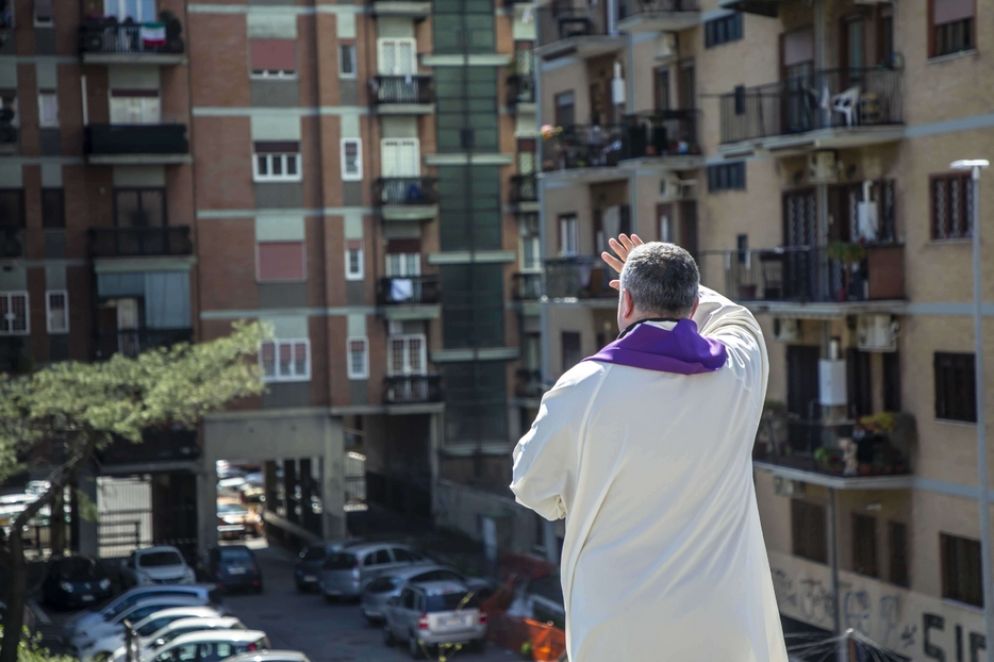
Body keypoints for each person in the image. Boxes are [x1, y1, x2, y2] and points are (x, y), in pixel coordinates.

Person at [510, 235, 788, 662]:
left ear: (624, 303)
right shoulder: (739, 370)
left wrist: (578, 498)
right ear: (694, 306)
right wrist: (680, 284)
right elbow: (737, 317)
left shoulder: (582, 390)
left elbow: (530, 484)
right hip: (722, 626)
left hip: (619, 629)